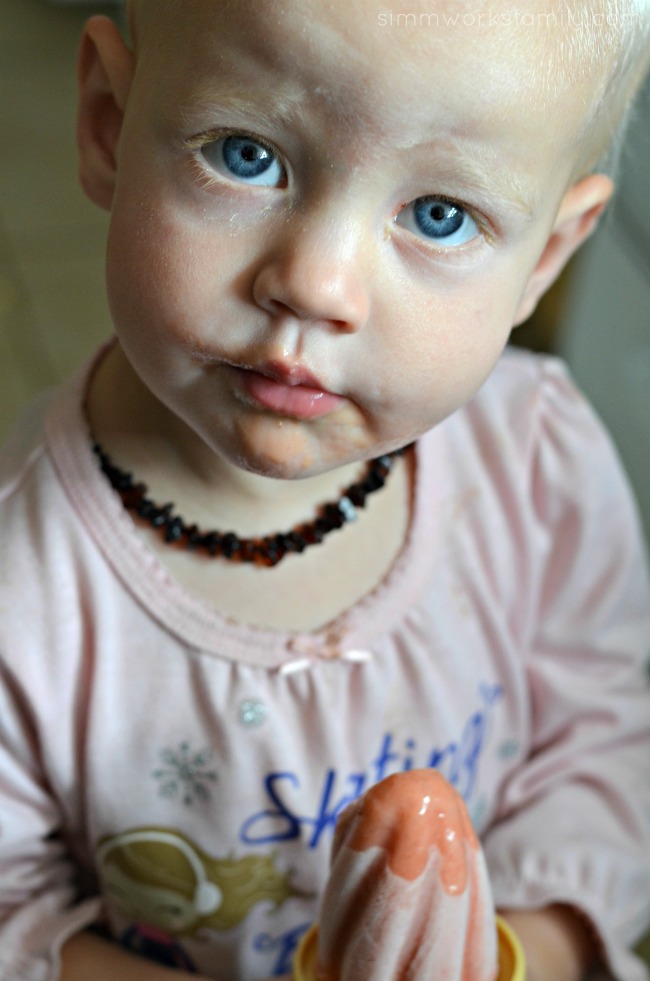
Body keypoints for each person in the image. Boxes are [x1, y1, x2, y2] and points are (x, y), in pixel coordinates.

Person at [1, 0, 649, 979]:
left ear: (542, 261)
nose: (316, 285)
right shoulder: (23, 575)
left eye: (441, 214)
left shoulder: (532, 464)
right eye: (246, 156)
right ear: (106, 123)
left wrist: (523, 953)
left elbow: (602, 751)